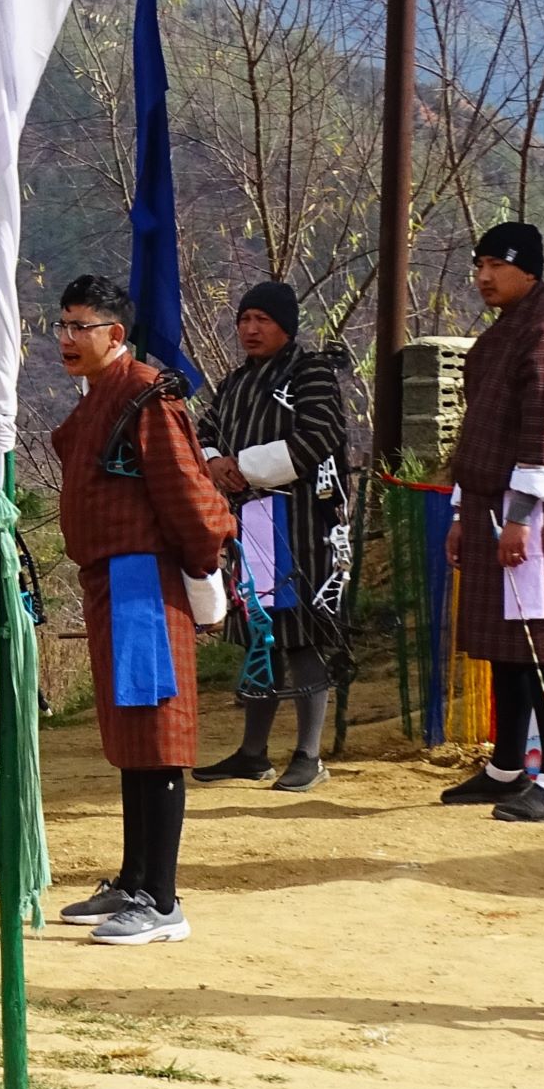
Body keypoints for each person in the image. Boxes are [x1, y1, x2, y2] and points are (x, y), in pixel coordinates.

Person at [47, 275, 233, 946]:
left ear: (114, 335)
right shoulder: (106, 394)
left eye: (80, 327)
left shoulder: (147, 395)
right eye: (61, 326)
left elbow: (187, 494)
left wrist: (205, 563)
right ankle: (131, 877)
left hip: (141, 583)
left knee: (156, 739)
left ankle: (161, 898)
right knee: (131, 740)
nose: (66, 339)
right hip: (109, 580)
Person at [441, 222, 544, 824]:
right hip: (486, 505)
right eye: (479, 264)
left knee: (541, 644)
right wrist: (460, 510)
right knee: (506, 647)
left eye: (495, 266)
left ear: (529, 271)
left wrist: (522, 518)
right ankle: (506, 765)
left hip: (527, 512)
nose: (483, 277)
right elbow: (476, 430)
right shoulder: (500, 337)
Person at [193, 281, 354, 793]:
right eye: (244, 319)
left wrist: (243, 465)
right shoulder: (237, 381)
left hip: (304, 523)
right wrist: (216, 464)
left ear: (286, 324)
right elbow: (202, 432)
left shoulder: (312, 373)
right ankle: (253, 752)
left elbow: (319, 436)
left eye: (261, 319)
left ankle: (308, 754)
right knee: (259, 635)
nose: (250, 329)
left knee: (302, 633)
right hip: (248, 521)